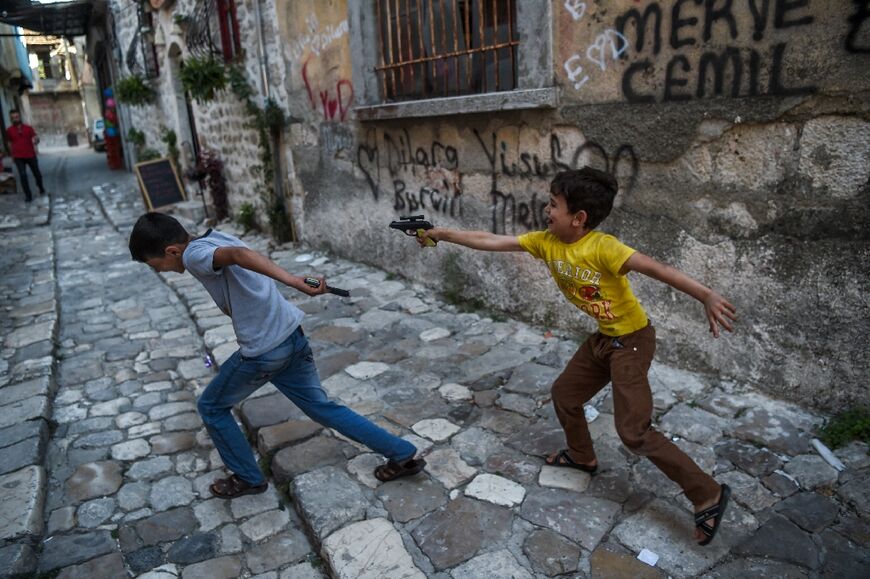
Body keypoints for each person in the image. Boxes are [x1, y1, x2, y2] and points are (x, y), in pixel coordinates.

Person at [413, 167, 737, 546]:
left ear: (578, 218)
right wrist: (442, 234)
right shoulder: (546, 242)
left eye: (553, 204)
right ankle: (582, 456)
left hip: (632, 342)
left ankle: (707, 493)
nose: (546, 210)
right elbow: (491, 240)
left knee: (633, 431)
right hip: (604, 340)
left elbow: (658, 269)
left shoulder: (603, 247)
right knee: (566, 395)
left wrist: (706, 296)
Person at [129, 212, 426, 498]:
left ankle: (248, 478)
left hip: (265, 351)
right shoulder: (214, 237)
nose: (159, 271)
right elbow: (241, 260)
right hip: (291, 337)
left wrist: (293, 280)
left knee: (211, 407)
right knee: (321, 407)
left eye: (155, 265)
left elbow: (239, 257)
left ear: (171, 251)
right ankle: (401, 454)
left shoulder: (193, 256)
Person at [5, 110, 45, 202]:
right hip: (18, 156)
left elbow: (35, 138)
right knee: (23, 175)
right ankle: (28, 195)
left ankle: (41, 187)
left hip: (30, 154)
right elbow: (9, 143)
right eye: (13, 117)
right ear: (11, 119)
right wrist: (12, 155)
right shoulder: (9, 130)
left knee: (37, 174)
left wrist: (36, 140)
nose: (15, 119)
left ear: (20, 117)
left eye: (17, 117)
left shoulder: (28, 128)